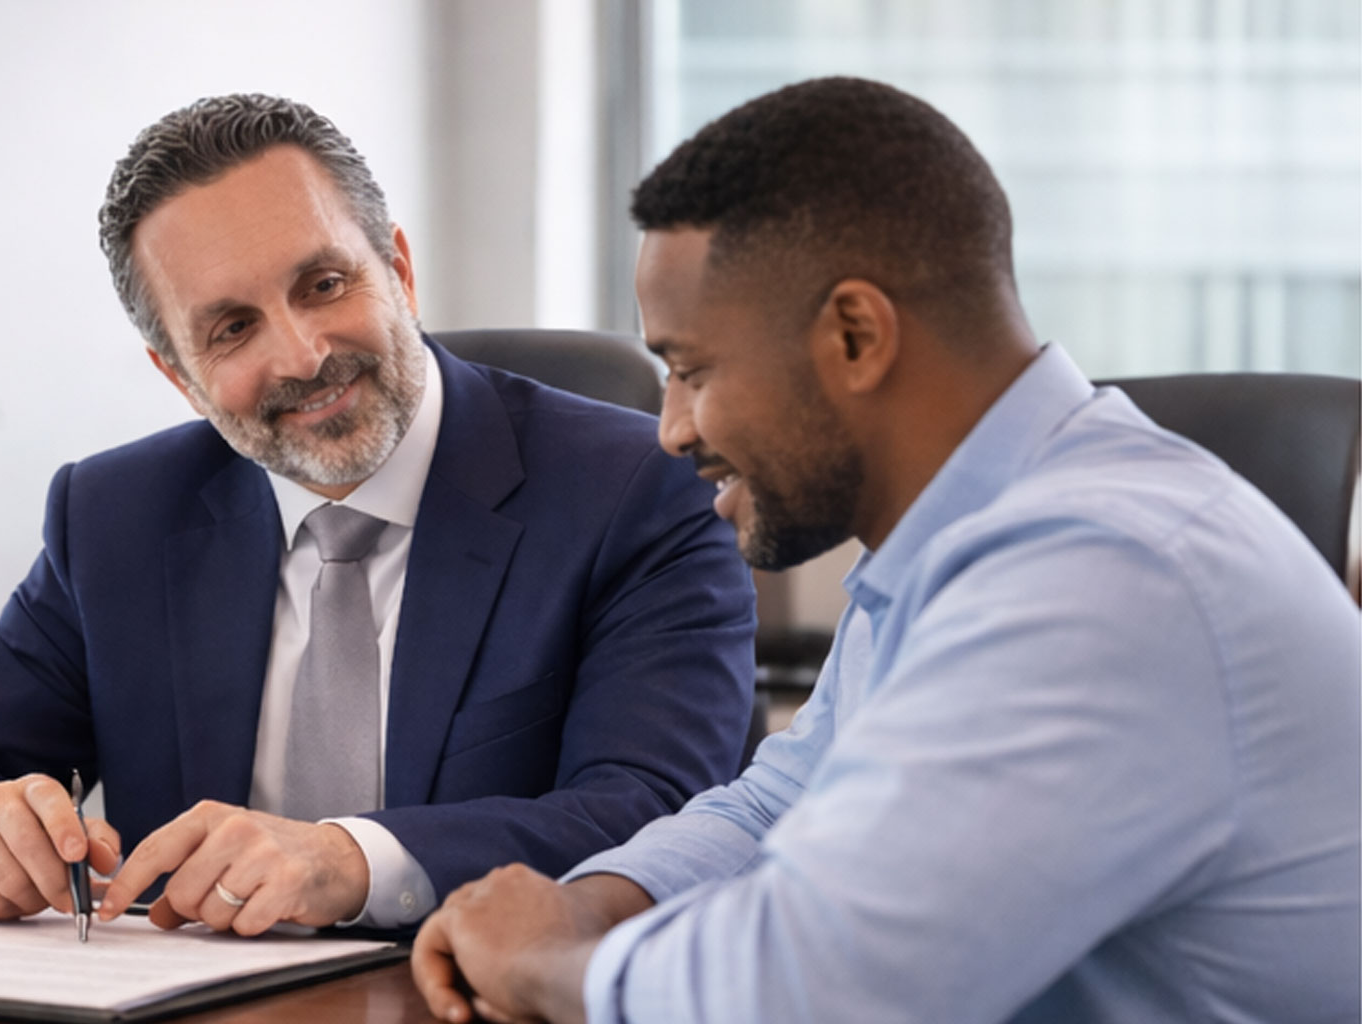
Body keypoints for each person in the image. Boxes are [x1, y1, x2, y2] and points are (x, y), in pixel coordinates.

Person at [412, 76, 1362, 1023]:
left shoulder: (1102, 574)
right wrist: (584, 905)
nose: (670, 429)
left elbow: (805, 986)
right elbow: (781, 799)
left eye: (693, 370)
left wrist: (547, 967)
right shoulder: (961, 541)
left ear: (856, 335)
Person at [0, 94, 759, 938]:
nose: (304, 355)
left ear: (397, 268)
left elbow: (660, 812)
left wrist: (350, 861)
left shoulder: (643, 488)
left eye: (323, 285)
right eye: (232, 329)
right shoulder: (115, 518)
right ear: (179, 377)